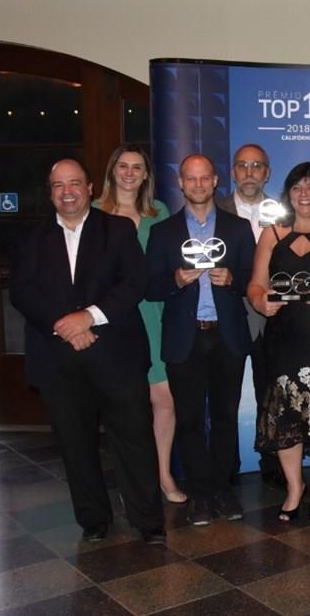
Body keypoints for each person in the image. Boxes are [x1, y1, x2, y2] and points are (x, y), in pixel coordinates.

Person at [10, 159, 165, 544]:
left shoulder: (118, 229)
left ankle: (147, 520)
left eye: (74, 183)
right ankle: (93, 519)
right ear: (50, 192)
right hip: (58, 358)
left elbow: (134, 282)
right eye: (58, 185)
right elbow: (23, 292)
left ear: (90, 187)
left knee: (134, 441)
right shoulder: (31, 238)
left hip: (117, 357)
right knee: (75, 445)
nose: (67, 192)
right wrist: (66, 325)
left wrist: (88, 317)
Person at [147, 154, 255, 526]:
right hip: (184, 337)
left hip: (227, 335)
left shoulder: (238, 228)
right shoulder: (163, 232)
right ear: (181, 183)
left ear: (215, 181)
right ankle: (199, 495)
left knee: (225, 417)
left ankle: (222, 490)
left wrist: (234, 281)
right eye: (190, 179)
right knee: (190, 420)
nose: (198, 185)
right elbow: (150, 287)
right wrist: (175, 281)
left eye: (204, 178)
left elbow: (253, 278)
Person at [248, 162, 310, 522]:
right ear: (288, 194)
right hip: (282, 340)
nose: (304, 194)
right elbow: (255, 284)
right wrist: (262, 301)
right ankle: (295, 488)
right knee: (286, 416)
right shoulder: (272, 234)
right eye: (296, 187)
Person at [92, 145, 184, 504]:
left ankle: (162, 475)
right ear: (112, 171)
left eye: (137, 167)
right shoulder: (95, 212)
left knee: (165, 399)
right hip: (111, 318)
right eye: (123, 166)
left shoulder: (158, 212)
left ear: (146, 174)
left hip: (153, 314)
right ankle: (133, 481)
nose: (129, 173)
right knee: (122, 406)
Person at [215, 143, 282, 487]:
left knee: (271, 395)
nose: (250, 172)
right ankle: (226, 466)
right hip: (227, 316)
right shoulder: (214, 211)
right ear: (233, 172)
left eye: (257, 165)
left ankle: (272, 463)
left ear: (267, 172)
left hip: (273, 319)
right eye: (242, 165)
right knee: (225, 398)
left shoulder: (284, 213)